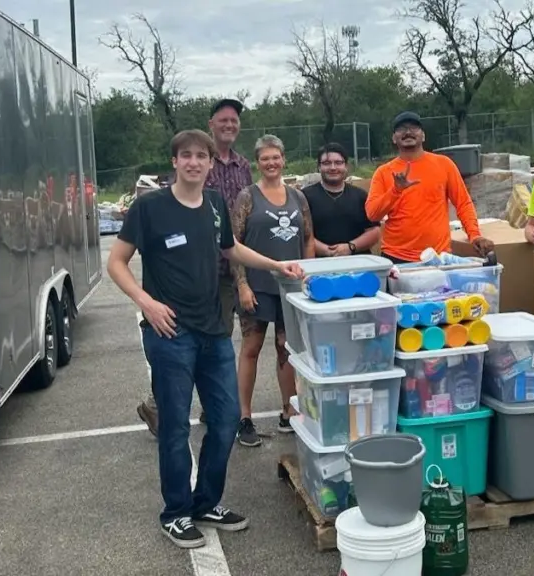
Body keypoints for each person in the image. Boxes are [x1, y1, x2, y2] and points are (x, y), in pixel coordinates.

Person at [107, 129, 303, 548]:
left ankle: (206, 502)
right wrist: (146, 303)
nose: (194, 162)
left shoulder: (214, 204)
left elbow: (231, 250)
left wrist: (276, 265)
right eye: (186, 155)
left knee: (227, 418)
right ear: (175, 162)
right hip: (169, 332)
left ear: (211, 164)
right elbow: (117, 262)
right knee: (175, 426)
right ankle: (175, 513)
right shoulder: (149, 207)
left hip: (213, 330)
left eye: (202, 156)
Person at [136, 98, 253, 437]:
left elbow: (238, 224)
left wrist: (251, 272)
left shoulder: (243, 166)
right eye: (223, 120)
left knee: (218, 341)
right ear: (211, 124)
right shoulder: (195, 160)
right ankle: (160, 405)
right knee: (185, 343)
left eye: (234, 120)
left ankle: (212, 407)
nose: (229, 125)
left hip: (228, 268)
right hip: (192, 269)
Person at [230, 134, 315, 447]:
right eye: (265, 158)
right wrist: (242, 284)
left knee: (286, 348)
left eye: (275, 157)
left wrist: (309, 274)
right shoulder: (247, 197)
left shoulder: (297, 197)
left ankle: (288, 410)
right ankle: (244, 417)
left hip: (290, 288)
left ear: (283, 159)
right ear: (257, 162)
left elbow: (308, 237)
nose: (271, 163)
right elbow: (232, 244)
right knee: (251, 348)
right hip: (257, 286)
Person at [365, 111, 494, 263]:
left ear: (423, 136)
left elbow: (463, 203)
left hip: (438, 257)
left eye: (414, 128)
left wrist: (474, 235)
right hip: (396, 257)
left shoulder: (444, 165)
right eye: (401, 129)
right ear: (394, 138)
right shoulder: (384, 172)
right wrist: (396, 190)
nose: (408, 132)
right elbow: (372, 214)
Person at [301, 143, 381, 257]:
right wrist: (325, 250)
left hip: (358, 262)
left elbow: (374, 231)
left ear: (346, 166)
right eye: (327, 163)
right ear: (319, 167)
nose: (333, 168)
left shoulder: (360, 196)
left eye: (338, 163)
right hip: (319, 263)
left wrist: (350, 247)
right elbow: (301, 233)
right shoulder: (304, 197)